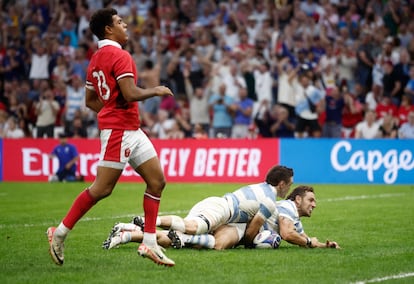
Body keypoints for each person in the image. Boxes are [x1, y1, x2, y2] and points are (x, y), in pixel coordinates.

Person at [46, 8, 176, 267]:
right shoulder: (120, 55)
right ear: (108, 29)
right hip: (120, 132)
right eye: (119, 22)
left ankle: (149, 244)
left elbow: (90, 100)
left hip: (130, 129)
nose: (125, 25)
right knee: (102, 189)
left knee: (157, 181)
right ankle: (58, 233)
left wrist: (110, 114)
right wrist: (156, 90)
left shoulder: (95, 59)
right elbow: (129, 94)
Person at [104, 185, 340, 251]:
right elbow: (289, 235)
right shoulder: (286, 207)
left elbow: (300, 235)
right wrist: (309, 243)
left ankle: (128, 233)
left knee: (185, 239)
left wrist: (322, 244)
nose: (314, 204)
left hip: (234, 224)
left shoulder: (292, 217)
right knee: (193, 229)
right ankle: (144, 222)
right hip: (227, 216)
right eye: (311, 200)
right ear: (296, 199)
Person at [132, 165, 294, 247]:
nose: (289, 189)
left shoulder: (261, 187)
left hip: (222, 209)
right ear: (281, 184)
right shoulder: (270, 201)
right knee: (194, 227)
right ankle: (150, 222)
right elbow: (252, 231)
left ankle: (129, 232)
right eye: (289, 184)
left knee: (196, 238)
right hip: (222, 209)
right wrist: (251, 244)